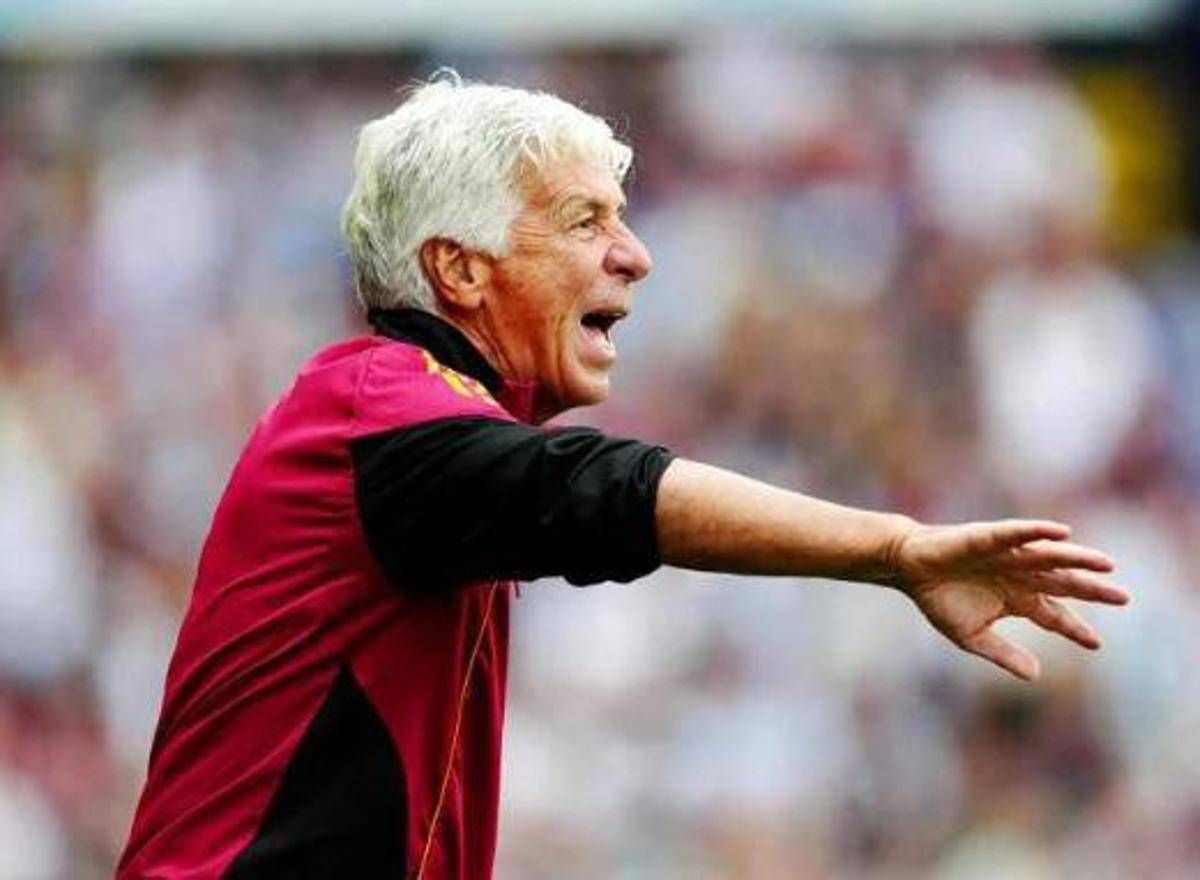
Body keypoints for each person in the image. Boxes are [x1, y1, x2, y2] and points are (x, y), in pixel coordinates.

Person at [117, 74, 1129, 879]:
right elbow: (609, 491)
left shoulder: (397, 418)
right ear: (460, 268)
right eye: (584, 222)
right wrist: (895, 549)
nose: (636, 256)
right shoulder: (385, 406)